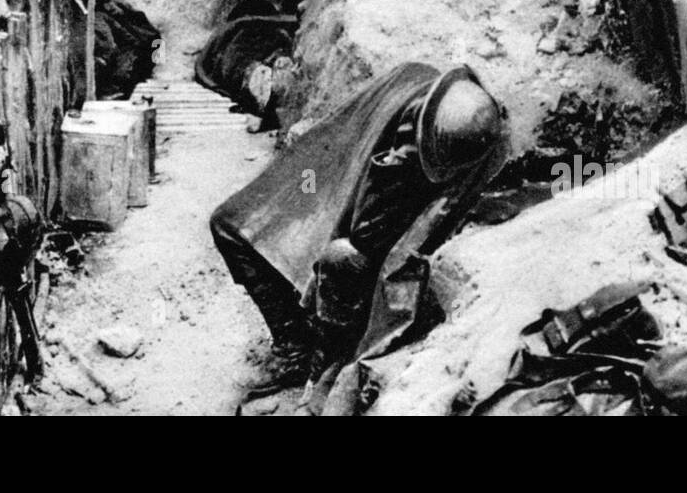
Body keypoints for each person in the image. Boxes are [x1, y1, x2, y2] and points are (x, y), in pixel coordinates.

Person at [210, 62, 508, 401]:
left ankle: (297, 350)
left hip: (363, 221)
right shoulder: (408, 82)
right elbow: (331, 146)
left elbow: (364, 238)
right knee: (233, 223)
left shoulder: (452, 125)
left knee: (335, 258)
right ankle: (294, 336)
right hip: (328, 177)